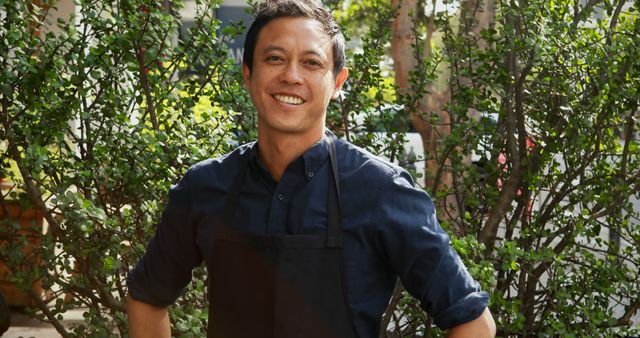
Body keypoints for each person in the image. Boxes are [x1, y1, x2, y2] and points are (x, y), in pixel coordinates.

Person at [126, 0, 496, 337]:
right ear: (247, 74)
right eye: (274, 58)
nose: (291, 76)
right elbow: (146, 295)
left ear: (337, 83)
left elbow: (474, 323)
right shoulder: (206, 186)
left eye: (311, 62)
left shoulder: (380, 190)